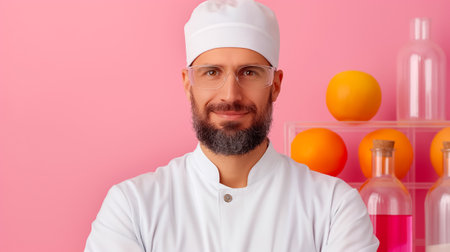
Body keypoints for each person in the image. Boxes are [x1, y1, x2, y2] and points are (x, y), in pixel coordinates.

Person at [84, 0, 379, 251]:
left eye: (249, 72)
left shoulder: (334, 207)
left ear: (275, 85)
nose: (230, 95)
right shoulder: (132, 207)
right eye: (211, 72)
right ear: (188, 84)